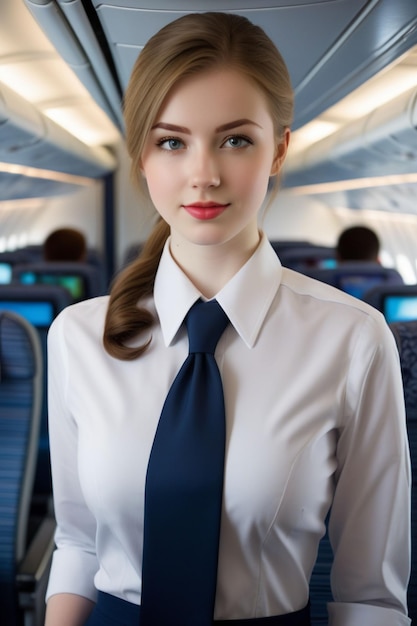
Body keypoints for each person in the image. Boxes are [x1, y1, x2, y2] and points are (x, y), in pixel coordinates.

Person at [44, 12, 411, 626]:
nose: (204, 174)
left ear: (280, 149)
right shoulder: (79, 337)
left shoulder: (354, 340)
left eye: (235, 139)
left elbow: (369, 596)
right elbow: (79, 544)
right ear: (141, 154)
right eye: (172, 141)